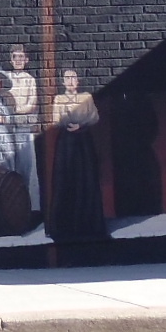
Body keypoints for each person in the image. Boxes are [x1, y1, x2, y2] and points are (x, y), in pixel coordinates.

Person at [46, 69, 109, 244]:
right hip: (66, 143)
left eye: (73, 77)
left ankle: (88, 225)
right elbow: (56, 119)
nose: (70, 81)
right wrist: (69, 124)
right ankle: (64, 226)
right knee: (66, 180)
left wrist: (80, 125)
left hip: (84, 141)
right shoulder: (59, 99)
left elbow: (94, 116)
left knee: (86, 179)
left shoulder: (86, 98)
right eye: (67, 78)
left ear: (78, 80)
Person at [5, 44, 42, 214]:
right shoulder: (5, 77)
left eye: (21, 57)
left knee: (25, 166)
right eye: (15, 57)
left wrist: (16, 111)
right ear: (10, 60)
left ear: (26, 60)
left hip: (23, 126)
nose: (18, 60)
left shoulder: (30, 79)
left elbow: (32, 104)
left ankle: (26, 207)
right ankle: (10, 206)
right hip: (7, 128)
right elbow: (2, 99)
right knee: (8, 167)